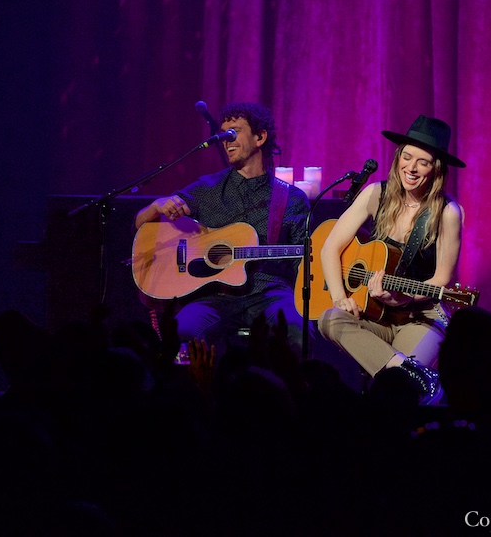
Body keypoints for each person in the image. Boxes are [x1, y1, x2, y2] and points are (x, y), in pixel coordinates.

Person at [133, 102, 310, 356]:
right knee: (180, 332)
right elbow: (139, 226)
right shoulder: (206, 189)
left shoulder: (291, 198)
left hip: (270, 292)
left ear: (260, 137)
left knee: (298, 330)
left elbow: (301, 262)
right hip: (214, 297)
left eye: (234, 132)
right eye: (224, 134)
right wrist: (156, 206)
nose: (227, 140)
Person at [317, 115, 465, 404]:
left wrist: (404, 298)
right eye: (406, 157)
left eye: (422, 162)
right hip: (373, 314)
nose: (411, 168)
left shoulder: (448, 212)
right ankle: (410, 373)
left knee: (399, 396)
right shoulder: (375, 194)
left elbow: (441, 279)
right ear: (398, 157)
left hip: (420, 318)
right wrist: (339, 297)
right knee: (329, 319)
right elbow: (330, 247)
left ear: (436, 169)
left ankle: (405, 380)